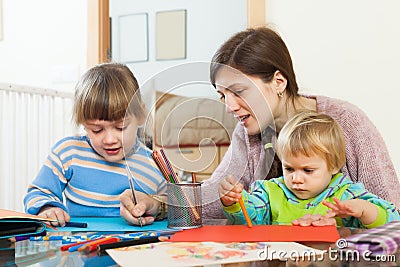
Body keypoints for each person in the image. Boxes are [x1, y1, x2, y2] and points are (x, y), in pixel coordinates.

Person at [202, 26, 400, 219]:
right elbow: (213, 200)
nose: (229, 107)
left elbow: (391, 211)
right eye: (223, 95)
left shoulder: (347, 121)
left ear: (278, 82)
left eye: (239, 92)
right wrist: (173, 196)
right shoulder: (247, 131)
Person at [24, 63, 167, 226]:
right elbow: (37, 193)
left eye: (120, 127)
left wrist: (156, 205)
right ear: (84, 125)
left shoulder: (155, 163)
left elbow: (176, 207)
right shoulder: (68, 153)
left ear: (141, 115)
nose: (109, 139)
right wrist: (47, 208)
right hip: (80, 247)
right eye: (97, 130)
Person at [219, 111, 400, 228]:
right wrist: (234, 201)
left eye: (308, 170)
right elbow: (251, 219)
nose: (296, 179)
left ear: (334, 166)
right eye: (289, 168)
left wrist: (364, 210)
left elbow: (394, 223)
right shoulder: (270, 192)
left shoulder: (348, 195)